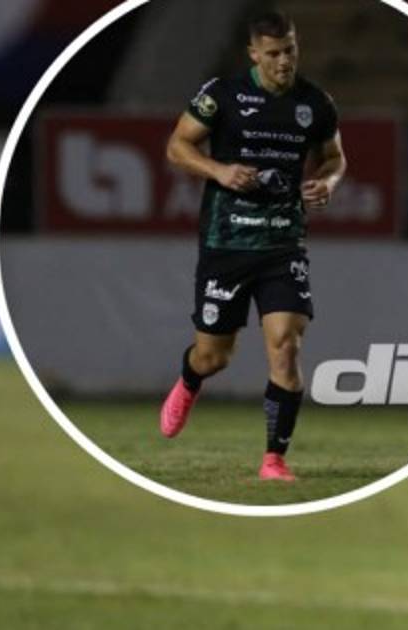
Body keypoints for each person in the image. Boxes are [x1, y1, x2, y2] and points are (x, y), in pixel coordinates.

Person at [158, 10, 346, 482]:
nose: (285, 61)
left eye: (291, 51)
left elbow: (334, 157)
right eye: (274, 53)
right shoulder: (222, 94)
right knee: (214, 356)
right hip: (227, 242)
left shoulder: (315, 103)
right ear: (254, 54)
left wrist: (327, 182)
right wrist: (219, 171)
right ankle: (191, 379)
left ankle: (273, 461)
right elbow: (177, 147)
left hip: (283, 242)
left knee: (286, 346)